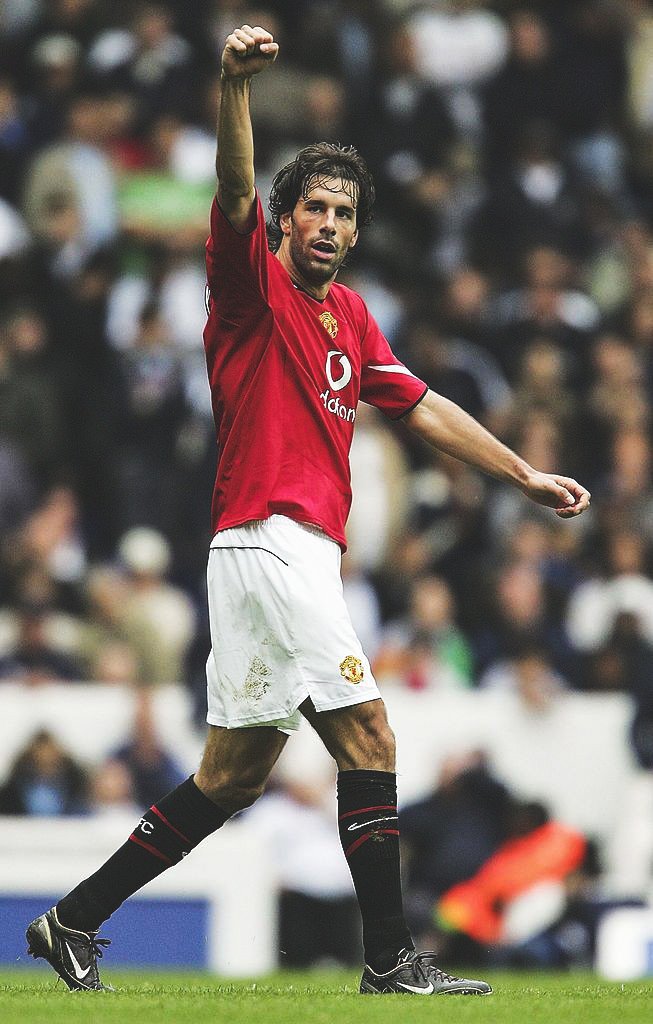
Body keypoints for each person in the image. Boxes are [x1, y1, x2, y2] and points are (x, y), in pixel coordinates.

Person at [25, 24, 591, 997]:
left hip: (273, 556)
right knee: (369, 737)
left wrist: (519, 473)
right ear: (284, 221)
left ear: (356, 229)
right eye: (312, 207)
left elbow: (419, 403)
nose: (326, 223)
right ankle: (388, 957)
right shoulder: (248, 290)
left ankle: (69, 921)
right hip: (272, 539)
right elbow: (235, 190)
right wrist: (234, 89)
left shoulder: (352, 316)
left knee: (231, 776)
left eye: (341, 211)